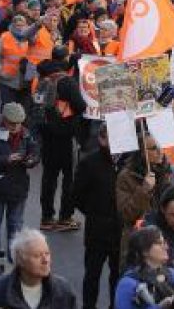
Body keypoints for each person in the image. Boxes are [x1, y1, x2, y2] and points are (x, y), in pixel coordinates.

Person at [0, 102, 40, 260]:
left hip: (18, 188)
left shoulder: (26, 134)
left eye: (19, 123)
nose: (16, 126)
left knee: (16, 225)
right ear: (4, 119)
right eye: (12, 123)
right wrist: (6, 159)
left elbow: (35, 152)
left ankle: (14, 258)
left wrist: (31, 160)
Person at [71, 124, 123, 309]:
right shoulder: (90, 163)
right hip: (97, 230)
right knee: (93, 274)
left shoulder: (128, 162)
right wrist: (94, 212)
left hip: (121, 231)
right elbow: (76, 195)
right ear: (102, 139)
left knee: (118, 275)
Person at [36, 67, 86, 232]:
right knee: (69, 178)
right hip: (66, 136)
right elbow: (80, 106)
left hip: (47, 137)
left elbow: (36, 105)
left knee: (49, 177)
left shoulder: (43, 81)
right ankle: (65, 217)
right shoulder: (68, 83)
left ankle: (46, 218)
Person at [0, 229, 77, 309]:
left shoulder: (63, 291)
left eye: (47, 254)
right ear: (20, 260)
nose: (45, 260)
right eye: (37, 256)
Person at [115, 226, 174, 309]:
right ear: (145, 251)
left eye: (164, 242)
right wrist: (160, 307)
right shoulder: (128, 284)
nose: (166, 247)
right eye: (159, 243)